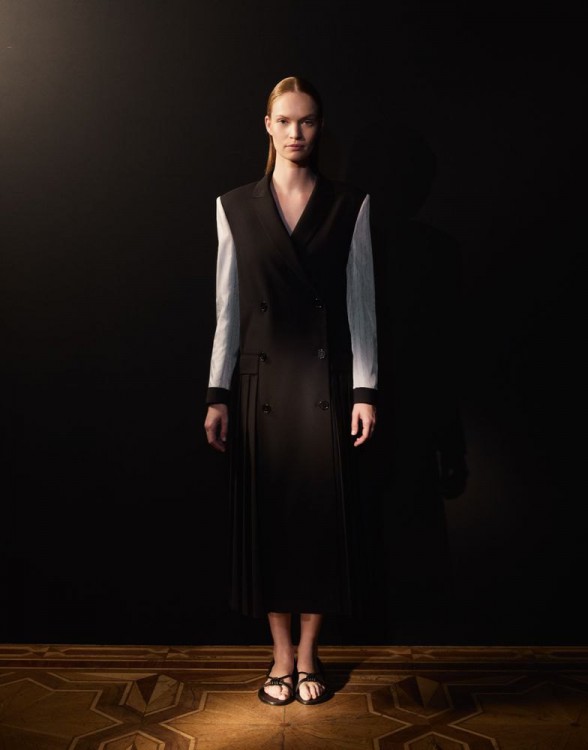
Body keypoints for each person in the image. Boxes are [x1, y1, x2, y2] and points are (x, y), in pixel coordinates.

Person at [204, 75, 378, 706]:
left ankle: (309, 656)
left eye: (306, 121)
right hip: (260, 383)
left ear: (319, 127)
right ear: (268, 126)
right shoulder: (233, 205)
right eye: (284, 120)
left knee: (319, 522)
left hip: (324, 382)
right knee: (270, 524)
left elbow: (361, 302)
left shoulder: (350, 204)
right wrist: (217, 393)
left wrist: (365, 388)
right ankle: (279, 657)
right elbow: (228, 308)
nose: (295, 132)